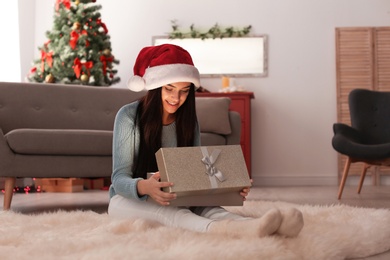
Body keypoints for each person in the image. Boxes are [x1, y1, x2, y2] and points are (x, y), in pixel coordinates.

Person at [108, 44, 304, 238]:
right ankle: (225, 230)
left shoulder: (188, 121)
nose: (177, 98)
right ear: (155, 87)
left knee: (210, 208)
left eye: (184, 91)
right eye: (169, 89)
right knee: (175, 215)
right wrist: (144, 186)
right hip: (126, 200)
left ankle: (259, 226)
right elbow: (118, 179)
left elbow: (196, 173)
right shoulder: (128, 116)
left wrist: (232, 185)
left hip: (174, 196)